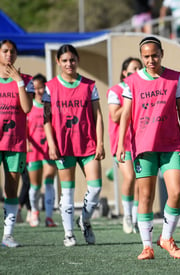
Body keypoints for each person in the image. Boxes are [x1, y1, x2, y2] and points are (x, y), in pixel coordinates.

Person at [116, 36, 180, 260]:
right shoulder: (132, 83)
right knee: (146, 196)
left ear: (162, 53)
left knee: (176, 192)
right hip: (144, 146)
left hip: (172, 145)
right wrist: (121, 144)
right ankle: (147, 246)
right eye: (146, 56)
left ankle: (166, 238)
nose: (151, 60)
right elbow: (125, 115)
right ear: (141, 56)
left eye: (154, 55)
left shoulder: (175, 78)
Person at [43, 44, 105, 247]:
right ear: (58, 62)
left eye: (72, 60)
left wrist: (100, 142)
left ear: (77, 60)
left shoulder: (89, 85)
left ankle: (84, 220)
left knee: (95, 188)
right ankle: (69, 233)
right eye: (65, 60)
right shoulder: (50, 87)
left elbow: (97, 115)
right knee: (67, 192)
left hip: (88, 144)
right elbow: (46, 119)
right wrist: (52, 145)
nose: (69, 64)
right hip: (63, 146)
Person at [0, 39, 34, 247]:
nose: (9, 55)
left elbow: (28, 108)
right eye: (5, 51)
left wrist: (19, 81)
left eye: (12, 52)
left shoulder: (26, 80)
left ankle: (8, 235)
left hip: (14, 142)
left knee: (12, 188)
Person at [107, 57, 142, 234]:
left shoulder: (144, 88)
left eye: (139, 69)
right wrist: (131, 99)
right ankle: (126, 216)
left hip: (140, 141)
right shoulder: (116, 90)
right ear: (124, 72)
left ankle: (135, 218)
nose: (136, 72)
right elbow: (114, 116)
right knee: (129, 177)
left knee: (139, 181)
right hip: (122, 143)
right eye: (133, 69)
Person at [26, 73, 58, 228]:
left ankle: (50, 217)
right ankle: (34, 211)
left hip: (49, 149)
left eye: (41, 87)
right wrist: (26, 143)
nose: (39, 91)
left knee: (49, 180)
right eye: (36, 88)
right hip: (33, 150)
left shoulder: (50, 104)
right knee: (35, 185)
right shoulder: (28, 106)